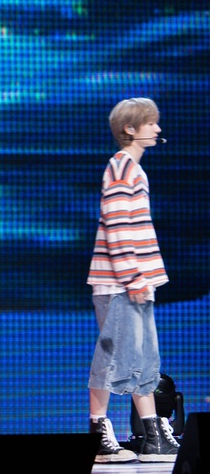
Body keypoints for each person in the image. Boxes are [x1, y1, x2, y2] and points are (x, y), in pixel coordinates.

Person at [86, 98, 180, 463]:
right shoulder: (121, 167)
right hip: (120, 284)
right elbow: (117, 225)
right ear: (130, 128)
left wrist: (143, 279)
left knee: (143, 361)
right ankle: (98, 433)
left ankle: (153, 434)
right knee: (112, 360)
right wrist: (133, 276)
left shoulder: (133, 169)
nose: (157, 129)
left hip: (137, 283)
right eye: (151, 123)